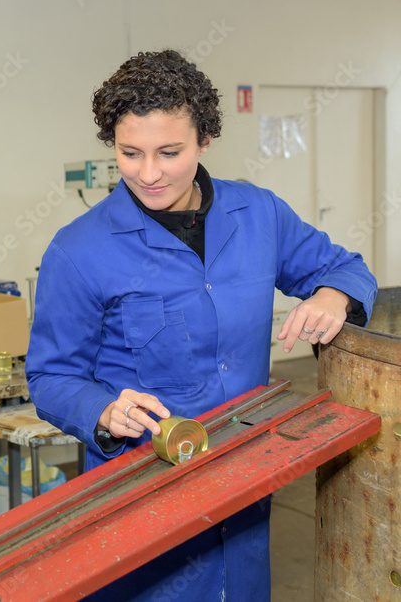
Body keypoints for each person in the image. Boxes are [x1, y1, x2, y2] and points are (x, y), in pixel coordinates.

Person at [26, 49, 376, 601]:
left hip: (244, 478)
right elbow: (49, 377)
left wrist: (333, 296)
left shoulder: (259, 214)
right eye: (129, 153)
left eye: (170, 152)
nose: (148, 173)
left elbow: (346, 269)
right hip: (138, 490)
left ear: (205, 139)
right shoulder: (78, 251)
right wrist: (102, 410)